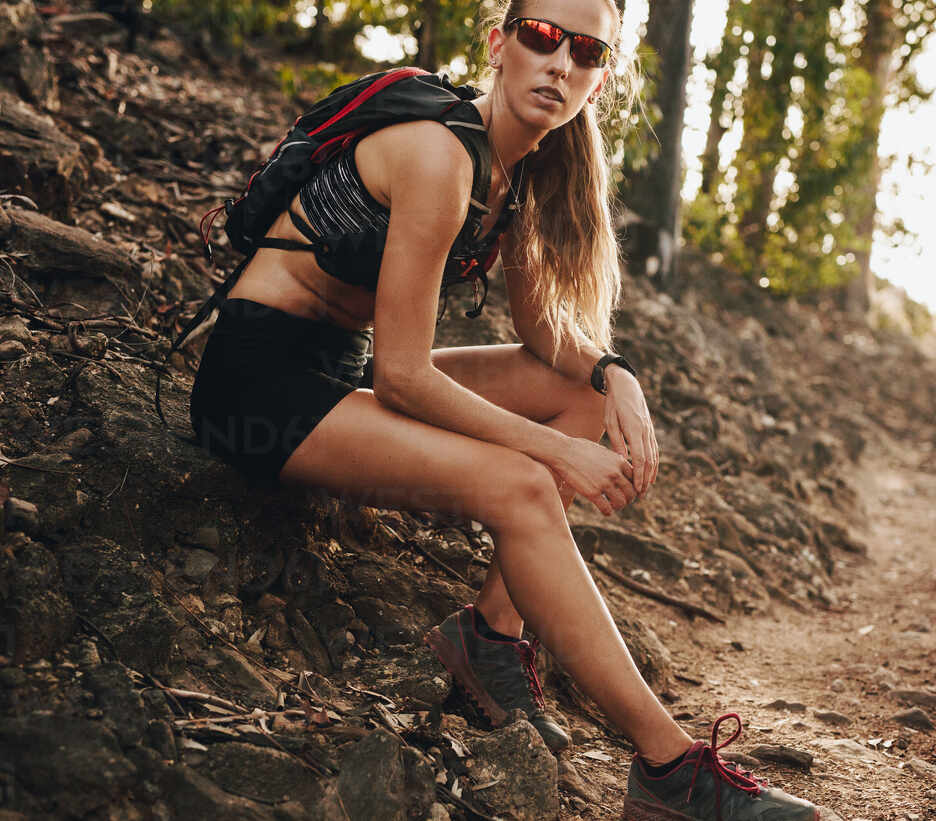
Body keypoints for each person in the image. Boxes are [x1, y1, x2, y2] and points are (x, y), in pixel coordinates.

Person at [188, 0, 819, 817]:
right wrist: (557, 456)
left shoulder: (515, 174)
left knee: (572, 391)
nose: (562, 64)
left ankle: (489, 635)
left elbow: (539, 334)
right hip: (256, 387)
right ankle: (671, 767)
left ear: (601, 80)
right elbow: (405, 378)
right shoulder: (438, 154)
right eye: (544, 37)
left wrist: (614, 372)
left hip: (335, 378)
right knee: (520, 485)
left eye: (587, 52)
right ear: (501, 43)